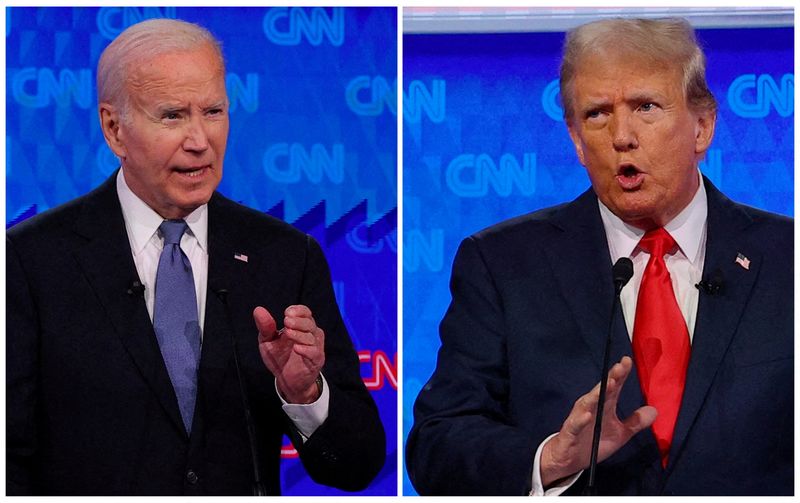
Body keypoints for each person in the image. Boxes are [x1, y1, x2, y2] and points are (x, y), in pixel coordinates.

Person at [406, 17, 792, 496]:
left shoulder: (786, 258)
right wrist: (550, 459)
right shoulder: (502, 265)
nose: (621, 136)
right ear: (576, 141)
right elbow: (436, 446)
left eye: (646, 106)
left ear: (702, 126)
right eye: (597, 114)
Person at [7, 18, 384, 495]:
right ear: (113, 128)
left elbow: (356, 464)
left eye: (212, 111)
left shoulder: (284, 256)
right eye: (172, 116)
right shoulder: (29, 261)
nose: (200, 140)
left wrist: (304, 393)